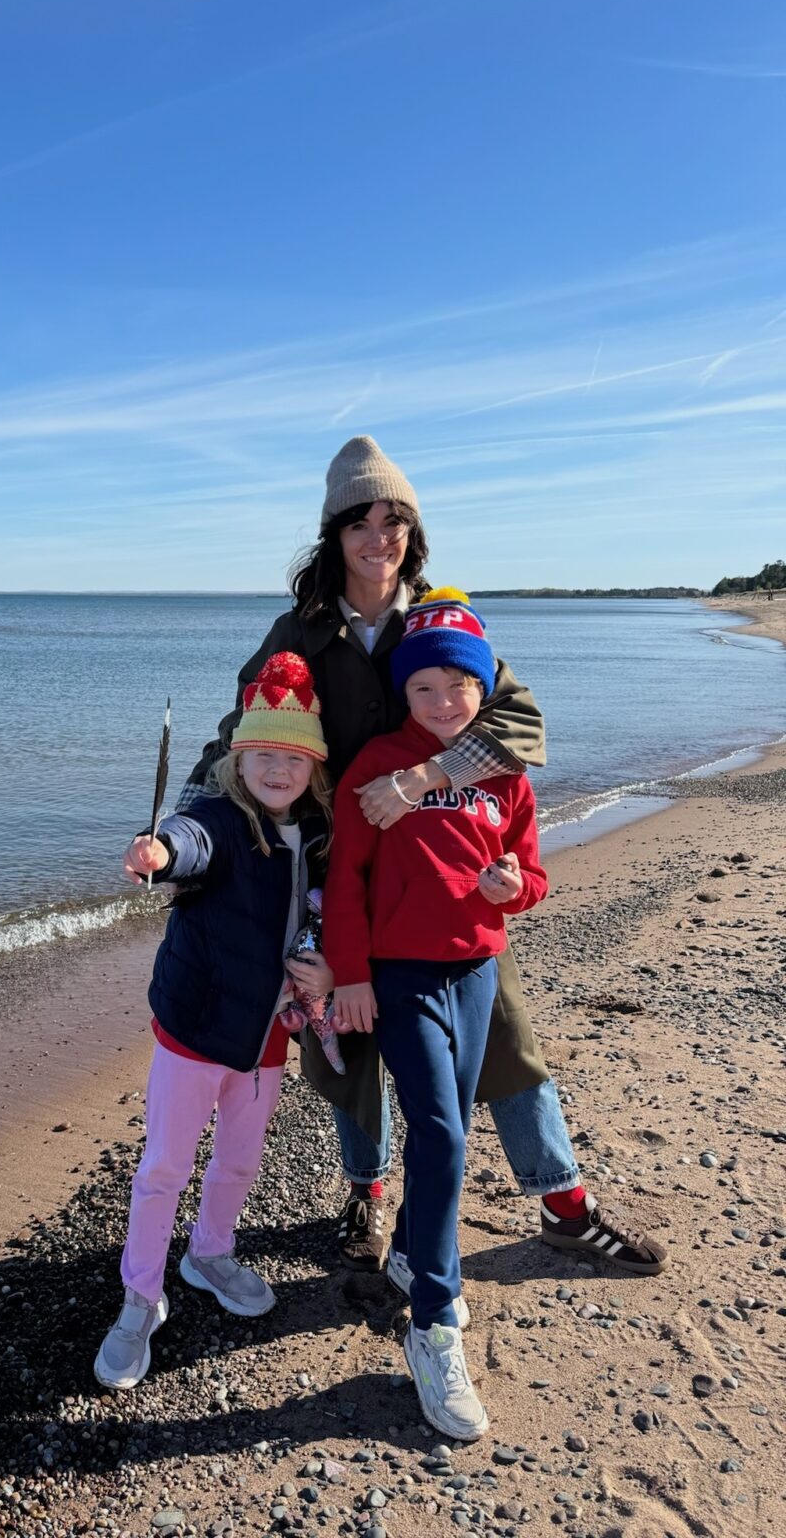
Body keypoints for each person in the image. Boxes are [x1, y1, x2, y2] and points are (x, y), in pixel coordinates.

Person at [181, 436, 667, 1277]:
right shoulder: (299, 630)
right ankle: (366, 1198)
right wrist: (184, 833)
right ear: (332, 535)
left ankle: (565, 1205)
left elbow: (517, 727)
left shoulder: (441, 619)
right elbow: (244, 732)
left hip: (453, 885)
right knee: (348, 1043)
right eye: (360, 522)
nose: (379, 537)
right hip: (337, 874)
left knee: (510, 1040)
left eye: (394, 519)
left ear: (413, 529)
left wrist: (427, 775)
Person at [325, 588, 549, 1439]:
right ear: (404, 694)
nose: (444, 702)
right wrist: (350, 974)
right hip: (401, 973)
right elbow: (346, 878)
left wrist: (512, 890)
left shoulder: (499, 770)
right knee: (444, 1132)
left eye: (460, 686)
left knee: (444, 1128)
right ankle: (433, 1321)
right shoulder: (377, 766)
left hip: (477, 970)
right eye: (425, 689)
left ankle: (420, 1250)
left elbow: (530, 869)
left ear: (483, 689)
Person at [94, 652, 335, 1390]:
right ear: (239, 759)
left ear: (313, 769)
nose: (276, 770)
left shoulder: (318, 835)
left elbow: (329, 912)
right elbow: (188, 845)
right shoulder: (220, 821)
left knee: (238, 1159)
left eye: (292, 759)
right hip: (196, 1029)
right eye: (262, 755)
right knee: (164, 1164)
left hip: (267, 1038)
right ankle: (141, 1294)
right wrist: (158, 851)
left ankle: (210, 1254)